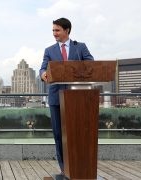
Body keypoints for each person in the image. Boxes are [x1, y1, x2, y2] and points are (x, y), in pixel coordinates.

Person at [39, 18, 94, 173]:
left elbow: (91, 65)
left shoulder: (80, 48)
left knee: (78, 132)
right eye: (53, 31)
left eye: (57, 30)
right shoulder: (49, 50)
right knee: (58, 134)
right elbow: (43, 69)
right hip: (56, 98)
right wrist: (44, 75)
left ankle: (79, 166)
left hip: (78, 98)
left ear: (67, 30)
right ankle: (64, 169)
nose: (54, 33)